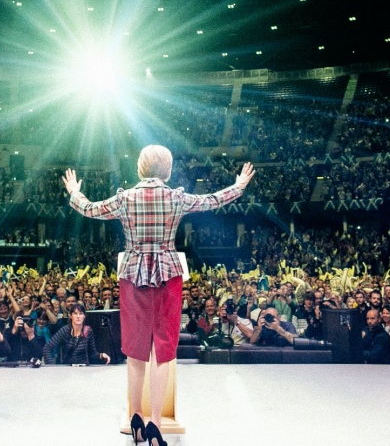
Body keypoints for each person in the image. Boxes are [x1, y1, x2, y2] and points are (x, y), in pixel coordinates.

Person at [63, 145, 254, 445]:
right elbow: (211, 201)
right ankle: (155, 426)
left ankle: (135, 417)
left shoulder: (125, 198)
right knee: (163, 351)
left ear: (140, 168)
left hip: (133, 275)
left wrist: (74, 191)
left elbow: (89, 209)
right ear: (166, 169)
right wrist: (239, 186)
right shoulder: (175, 197)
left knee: (135, 350)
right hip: (167, 274)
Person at [42, 303, 110, 365]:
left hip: (83, 369)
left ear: (84, 316)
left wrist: (101, 355)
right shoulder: (65, 330)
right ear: (71, 316)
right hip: (67, 370)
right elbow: (46, 348)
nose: (78, 316)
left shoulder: (88, 331)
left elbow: (93, 354)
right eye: (75, 313)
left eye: (80, 313)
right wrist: (51, 367)